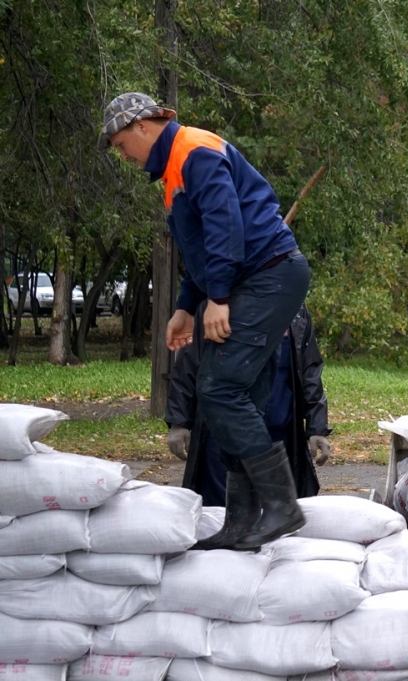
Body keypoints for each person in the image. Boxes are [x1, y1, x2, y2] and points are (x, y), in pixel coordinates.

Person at [99, 92, 311, 550]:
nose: (123, 155)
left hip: (269, 275)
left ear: (141, 126)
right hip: (250, 280)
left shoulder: (193, 151)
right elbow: (199, 250)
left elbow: (225, 226)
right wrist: (184, 308)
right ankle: (240, 520)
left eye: (119, 144)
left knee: (218, 388)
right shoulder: (175, 170)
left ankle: (281, 505)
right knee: (238, 397)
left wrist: (217, 299)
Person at [166, 303, 331, 516]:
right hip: (222, 436)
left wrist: (317, 427)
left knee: (277, 518)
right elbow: (189, 362)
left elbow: (309, 370)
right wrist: (179, 422)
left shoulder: (294, 309)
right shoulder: (213, 303)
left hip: (278, 438)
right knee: (220, 513)